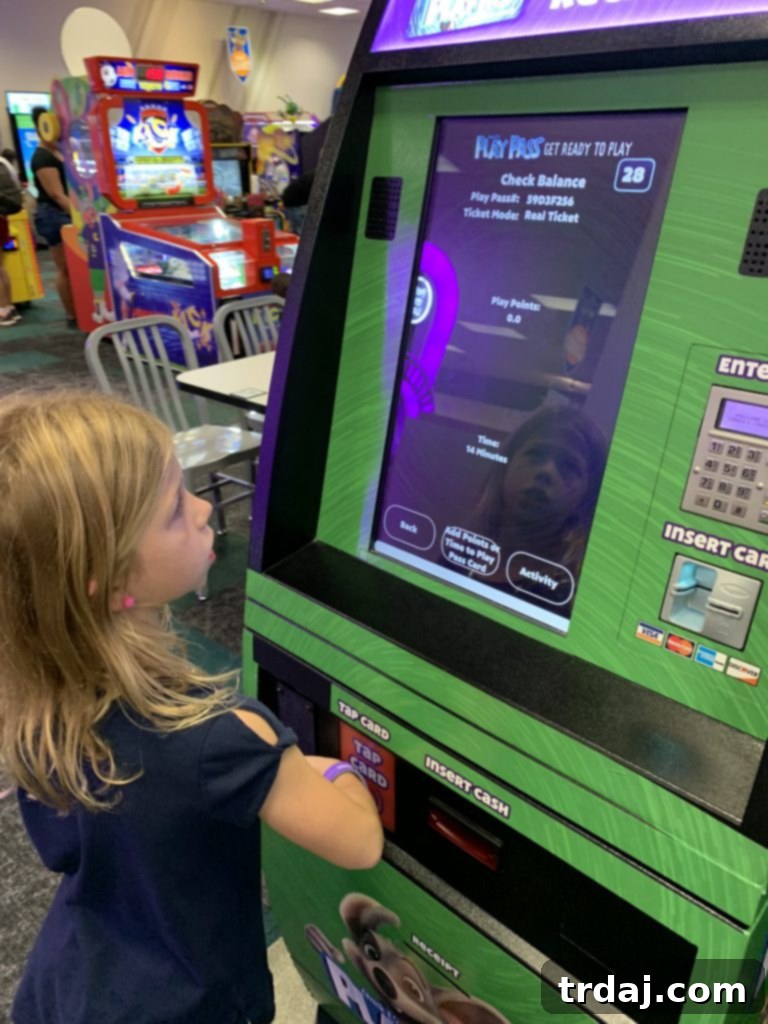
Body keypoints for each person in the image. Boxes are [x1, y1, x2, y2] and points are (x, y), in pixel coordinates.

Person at [0, 390, 383, 1024]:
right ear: (111, 580)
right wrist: (333, 771)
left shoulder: (37, 708)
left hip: (66, 990)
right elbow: (359, 841)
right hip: (189, 1005)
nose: (205, 508)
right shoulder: (221, 739)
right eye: (175, 509)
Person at [469, 404, 608, 593]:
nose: (546, 471)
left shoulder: (568, 594)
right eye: (537, 453)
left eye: (569, 465)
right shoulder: (462, 551)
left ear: (586, 497)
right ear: (505, 467)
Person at [30, 106, 76, 327]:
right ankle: (72, 315)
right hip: (54, 214)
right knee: (65, 269)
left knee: (77, 267)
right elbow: (57, 194)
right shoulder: (42, 157)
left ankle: (81, 310)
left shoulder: (58, 151)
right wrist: (79, 217)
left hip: (66, 212)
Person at [0, 148, 23, 326]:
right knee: (1, 267)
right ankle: (8, 307)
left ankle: (3, 310)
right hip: (3, 218)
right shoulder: (4, 164)